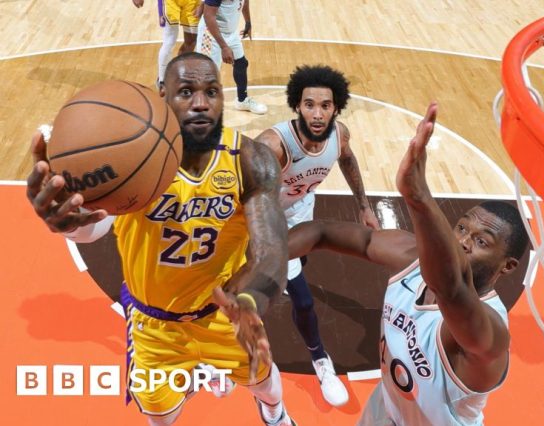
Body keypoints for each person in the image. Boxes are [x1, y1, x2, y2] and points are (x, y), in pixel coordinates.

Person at [26, 52, 294, 426]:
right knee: (162, 417)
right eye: (186, 91)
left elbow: (273, 249)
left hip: (224, 314)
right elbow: (95, 226)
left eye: (212, 91)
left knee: (265, 382)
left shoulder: (251, 159)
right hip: (155, 325)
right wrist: (68, 222)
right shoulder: (129, 158)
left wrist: (250, 300)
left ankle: (275, 415)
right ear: (161, 96)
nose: (201, 103)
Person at [287, 103, 529, 425]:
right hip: (385, 408)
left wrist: (418, 197)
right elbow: (320, 232)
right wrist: (259, 257)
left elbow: (452, 288)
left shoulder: (488, 334)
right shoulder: (412, 258)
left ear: (507, 267)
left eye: (481, 242)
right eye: (460, 228)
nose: (462, 242)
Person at [253, 64, 380, 407]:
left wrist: (364, 206)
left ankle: (317, 356)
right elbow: (244, 193)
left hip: (300, 208)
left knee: (297, 271)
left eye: (326, 105)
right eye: (310, 104)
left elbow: (348, 161)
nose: (318, 113)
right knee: (297, 297)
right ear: (297, 105)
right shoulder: (274, 145)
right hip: (263, 217)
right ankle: (320, 359)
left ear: (336, 107)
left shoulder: (339, 135)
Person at [196, 0, 267, 114]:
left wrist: (248, 22)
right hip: (210, 34)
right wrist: (224, 47)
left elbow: (245, 3)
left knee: (241, 63)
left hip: (230, 33)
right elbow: (208, 17)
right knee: (208, 75)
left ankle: (242, 100)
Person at [131, 0, 203, 87]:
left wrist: (203, 2)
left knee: (191, 41)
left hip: (192, 2)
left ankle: (179, 73)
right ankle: (162, 80)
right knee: (169, 41)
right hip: (171, 2)